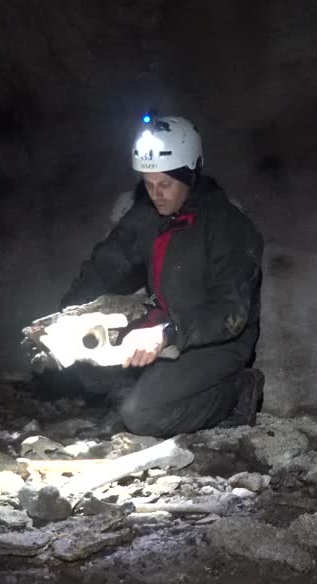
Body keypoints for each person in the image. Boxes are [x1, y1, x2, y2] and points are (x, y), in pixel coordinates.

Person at [58, 115, 265, 437]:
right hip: (165, 324)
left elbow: (230, 314)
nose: (156, 194)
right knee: (84, 359)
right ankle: (154, 389)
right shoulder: (147, 214)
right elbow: (106, 264)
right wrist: (65, 317)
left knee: (142, 416)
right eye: (148, 183)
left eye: (165, 184)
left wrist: (165, 333)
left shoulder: (227, 225)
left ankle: (237, 389)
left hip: (216, 338)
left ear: (190, 176)